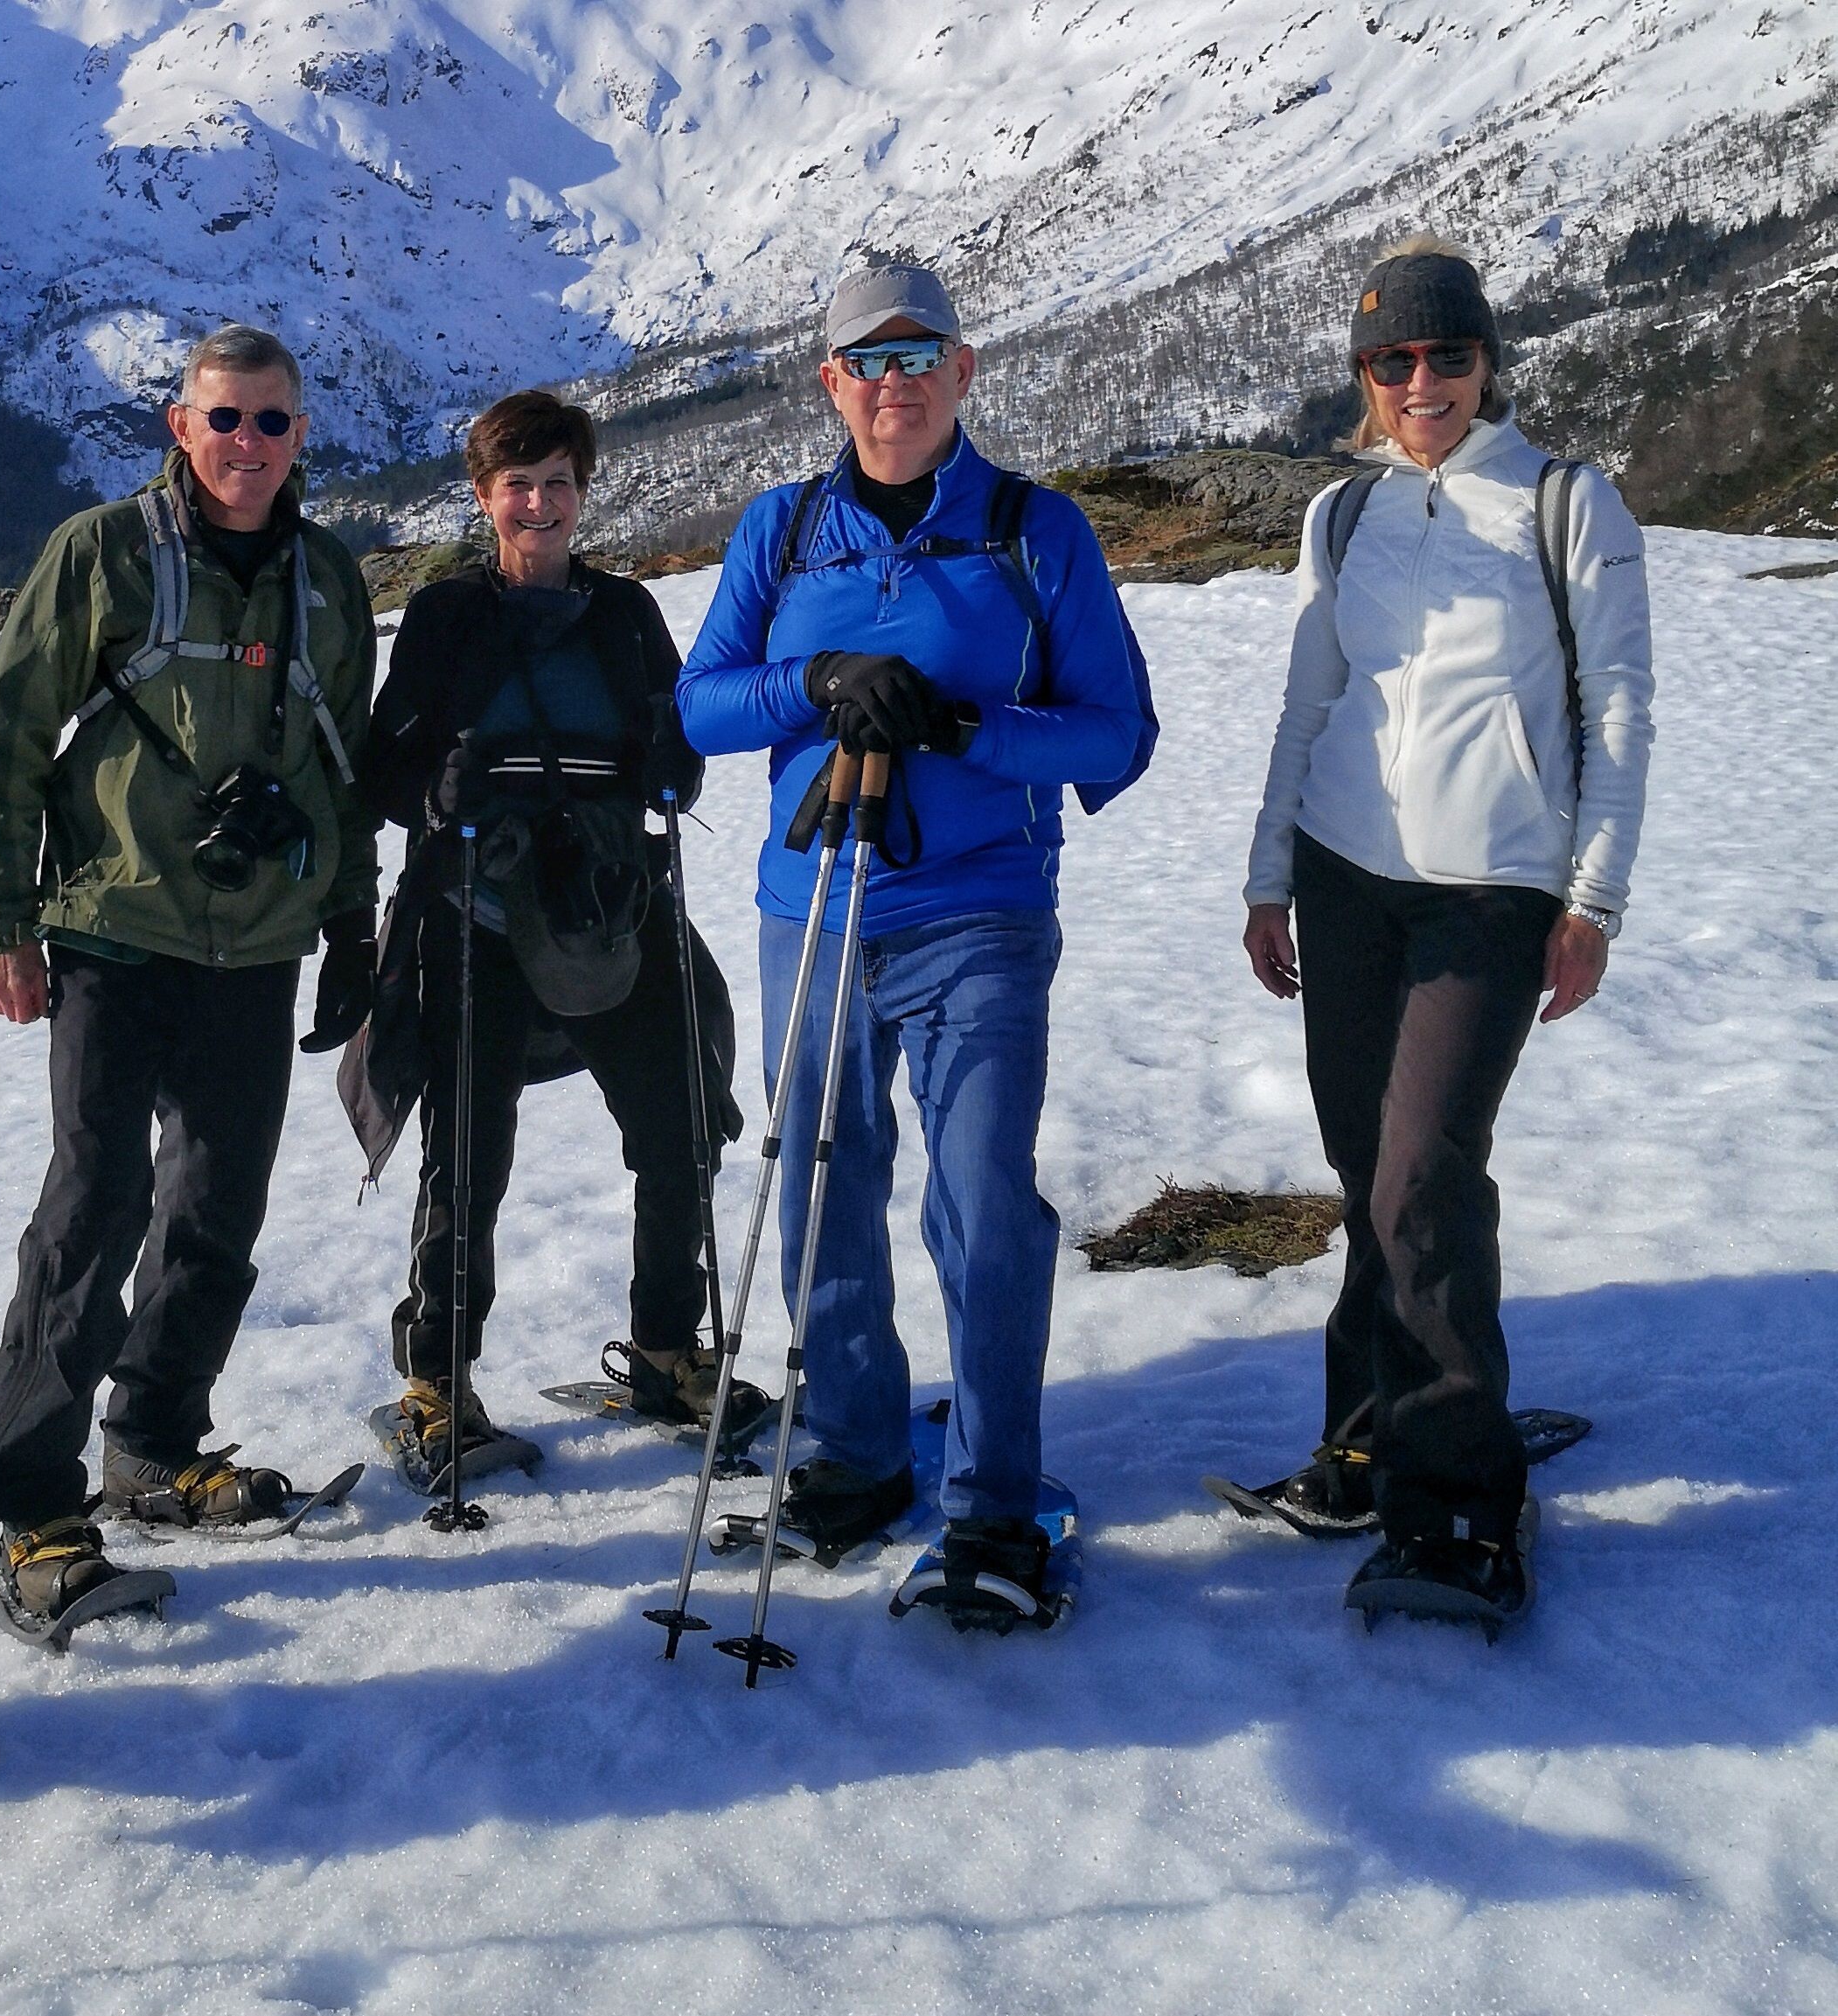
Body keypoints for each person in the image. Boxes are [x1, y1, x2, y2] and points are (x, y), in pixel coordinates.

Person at [675, 262, 1153, 1623]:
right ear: (828, 384)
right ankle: (853, 1447)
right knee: (822, 1181)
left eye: (916, 356)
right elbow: (700, 705)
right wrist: (815, 684)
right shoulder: (781, 529)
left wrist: (957, 728)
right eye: (862, 364)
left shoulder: (1032, 531)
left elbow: (1114, 731)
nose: (892, 386)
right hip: (810, 909)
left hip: (978, 914)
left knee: (981, 1199)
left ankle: (995, 1498)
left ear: (962, 368)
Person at [1239, 236, 1654, 1629]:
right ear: (1362, 378)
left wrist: (1590, 897)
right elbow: (1308, 702)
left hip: (1490, 890)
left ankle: (1464, 1498)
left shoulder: (1561, 503)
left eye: (1446, 355)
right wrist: (1265, 878)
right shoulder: (1341, 517)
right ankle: (1364, 1443)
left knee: (1422, 1175)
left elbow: (1617, 714)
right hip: (1345, 876)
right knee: (1367, 1174)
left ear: (1486, 363)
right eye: (1390, 361)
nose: (1420, 382)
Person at [0, 324, 377, 1601]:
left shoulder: (326, 579)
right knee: (93, 1208)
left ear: (300, 435)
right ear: (176, 425)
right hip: (110, 927)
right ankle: (29, 1503)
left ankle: (150, 1444)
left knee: (214, 1210)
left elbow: (342, 766)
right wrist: (0, 919)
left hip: (252, 946)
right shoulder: (100, 554)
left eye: (269, 422)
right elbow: (12, 736)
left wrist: (351, 925)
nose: (244, 444)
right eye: (222, 419)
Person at [338, 390, 762, 1485]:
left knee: (678, 1125)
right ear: (484, 498)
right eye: (517, 485)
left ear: (582, 490)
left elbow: (672, 732)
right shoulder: (443, 619)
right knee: (468, 1154)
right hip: (473, 916)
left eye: (557, 483)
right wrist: (433, 786)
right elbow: (381, 772)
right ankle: (435, 1377)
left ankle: (667, 1350)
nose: (539, 503)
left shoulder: (625, 615)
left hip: (613, 903)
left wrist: (678, 767)